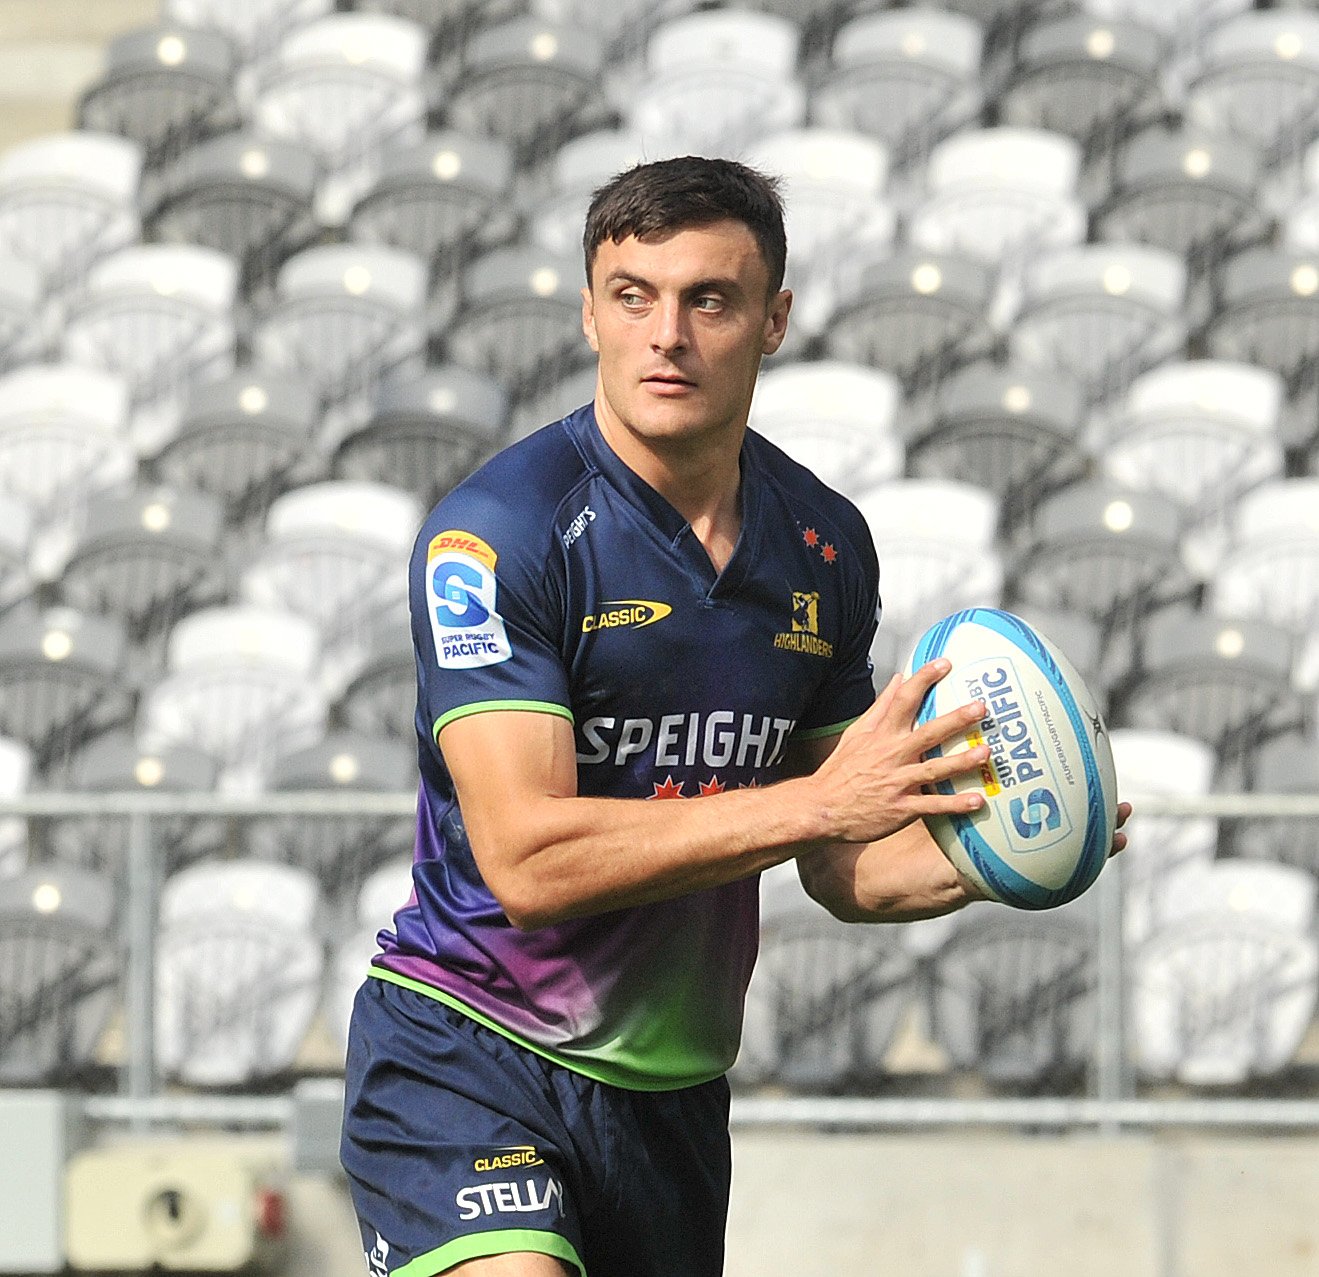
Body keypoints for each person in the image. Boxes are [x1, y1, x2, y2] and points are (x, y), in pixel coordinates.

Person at [339, 155, 1128, 1277]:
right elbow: (527, 860)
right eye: (633, 296)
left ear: (773, 320)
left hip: (671, 1095)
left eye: (708, 300)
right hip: (466, 1046)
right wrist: (815, 804)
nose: (666, 335)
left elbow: (844, 864)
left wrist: (1011, 848)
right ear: (589, 313)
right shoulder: (496, 534)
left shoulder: (822, 544)